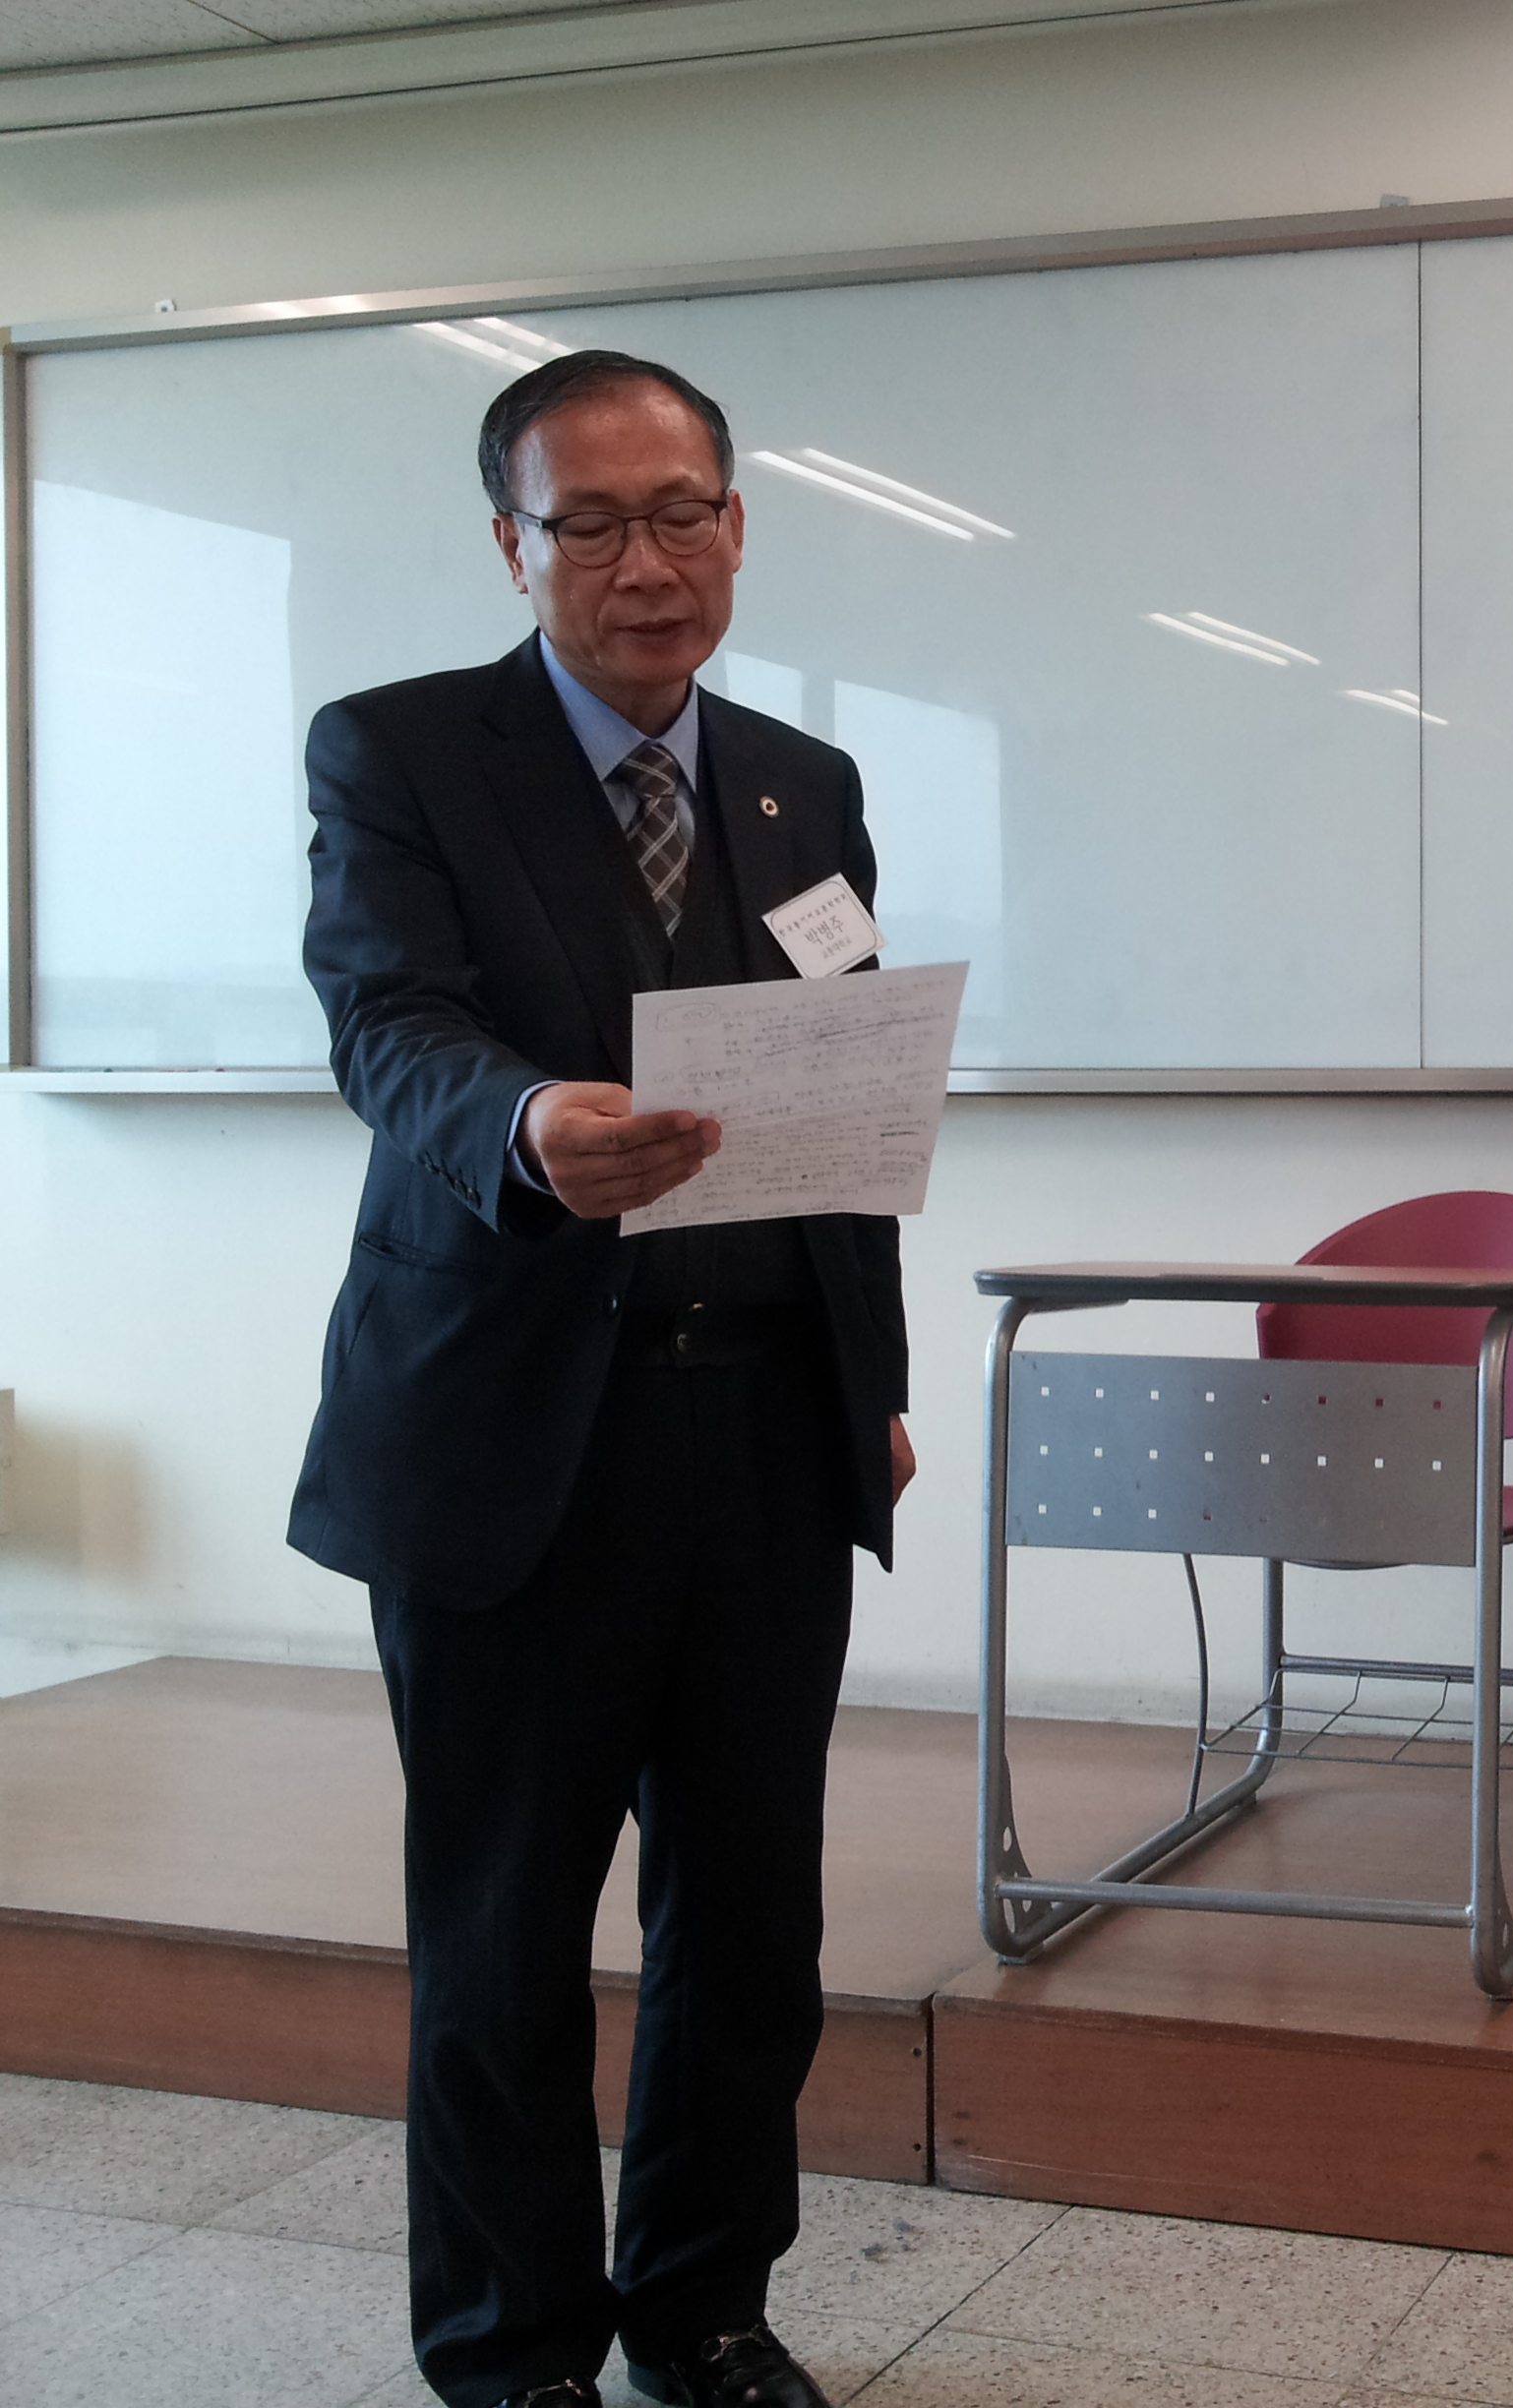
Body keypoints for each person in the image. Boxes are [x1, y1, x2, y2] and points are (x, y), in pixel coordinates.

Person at [287, 349, 912, 2408]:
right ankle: (515, 2350)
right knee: (503, 1934)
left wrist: (872, 1381)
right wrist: (530, 1121)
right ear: (514, 542)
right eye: (592, 523)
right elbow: (387, 1021)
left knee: (751, 1927)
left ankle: (706, 2312)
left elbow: (842, 1107)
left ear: (736, 523)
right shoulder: (401, 751)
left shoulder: (803, 785)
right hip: (510, 1432)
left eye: (682, 514)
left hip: (764, 1431)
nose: (647, 564)